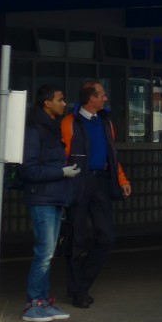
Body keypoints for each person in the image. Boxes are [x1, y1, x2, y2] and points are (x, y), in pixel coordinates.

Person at [61, 79, 131, 309]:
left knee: (107, 236)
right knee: (75, 239)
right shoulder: (69, 123)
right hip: (77, 181)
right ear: (91, 98)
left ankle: (80, 285)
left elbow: (112, 156)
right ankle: (79, 291)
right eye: (102, 95)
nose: (105, 98)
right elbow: (63, 156)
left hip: (101, 181)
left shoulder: (105, 123)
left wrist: (121, 179)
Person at [17, 85, 81, 322]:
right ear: (47, 103)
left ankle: (43, 302)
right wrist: (61, 172)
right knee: (44, 252)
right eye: (60, 99)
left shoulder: (51, 127)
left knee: (48, 252)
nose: (64, 104)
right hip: (42, 197)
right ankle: (33, 304)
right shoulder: (35, 130)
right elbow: (28, 169)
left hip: (53, 196)